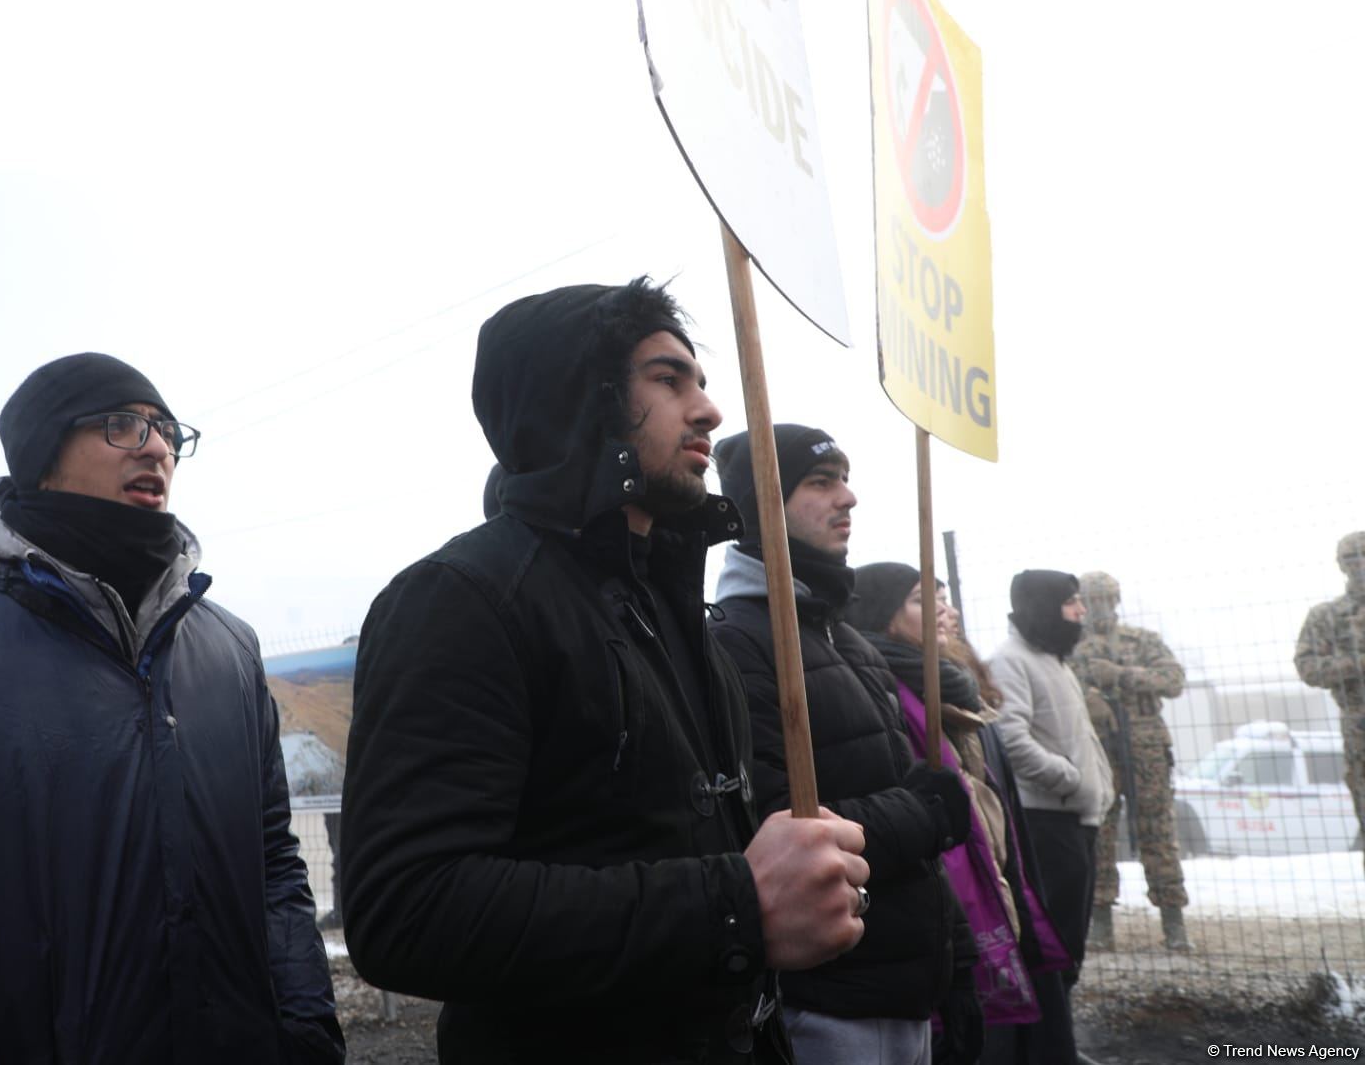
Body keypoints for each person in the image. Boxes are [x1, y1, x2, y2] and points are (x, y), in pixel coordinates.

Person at [340, 280, 871, 1064]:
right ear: (580, 398)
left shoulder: (674, 611)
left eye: (703, 379)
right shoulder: (465, 598)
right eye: (668, 378)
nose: (709, 410)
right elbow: (408, 910)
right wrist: (736, 904)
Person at [0, 353, 345, 1065]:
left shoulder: (227, 647)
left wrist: (305, 1033)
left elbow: (273, 865)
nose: (158, 447)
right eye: (122, 425)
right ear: (43, 454)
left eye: (167, 430)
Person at [709, 425, 977, 1065]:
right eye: (820, 482)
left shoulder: (846, 640)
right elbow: (777, 828)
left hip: (906, 992)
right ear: (762, 504)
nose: (848, 497)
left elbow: (916, 827)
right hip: (828, 1003)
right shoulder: (738, 643)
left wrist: (959, 965)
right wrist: (925, 814)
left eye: (846, 479)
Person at [847, 563, 1073, 1065]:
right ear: (883, 614)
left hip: (996, 858)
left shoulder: (954, 680)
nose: (945, 611)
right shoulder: (881, 687)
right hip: (949, 885)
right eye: (922, 600)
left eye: (945, 597)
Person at [988, 570, 1113, 1065]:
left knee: (1071, 941)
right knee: (1052, 943)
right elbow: (1011, 739)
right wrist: (1071, 780)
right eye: (1071, 602)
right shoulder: (1010, 661)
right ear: (1044, 607)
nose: (1081, 611)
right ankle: (1044, 1050)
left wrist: (1095, 786)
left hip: (1076, 820)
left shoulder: (1052, 660)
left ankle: (1058, 1044)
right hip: (1045, 824)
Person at [1068, 571, 1190, 952]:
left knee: (1157, 833)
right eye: (1092, 599)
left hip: (1146, 750)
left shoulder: (1143, 640)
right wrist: (1089, 697)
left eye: (1107, 598)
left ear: (1116, 600)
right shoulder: (1069, 647)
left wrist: (1121, 675)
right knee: (1099, 836)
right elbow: (1057, 689)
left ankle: (1173, 922)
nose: (1100, 607)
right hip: (1097, 750)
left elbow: (1173, 680)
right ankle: (1101, 920)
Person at [1296, 531, 1365, 875]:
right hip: (1359, 725)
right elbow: (1308, 667)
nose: (1360, 565)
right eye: (1352, 558)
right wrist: (1355, 664)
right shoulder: (1327, 617)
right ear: (1341, 566)